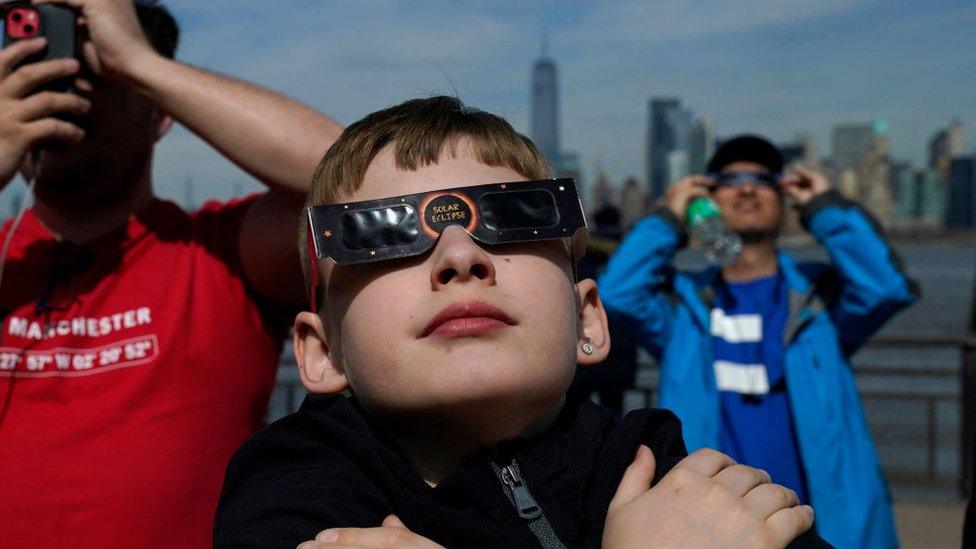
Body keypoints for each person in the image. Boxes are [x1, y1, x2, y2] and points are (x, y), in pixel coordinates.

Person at [213, 97, 828, 549]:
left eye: (514, 220)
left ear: (588, 318)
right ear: (321, 354)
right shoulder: (293, 491)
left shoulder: (662, 470)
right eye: (385, 235)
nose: (461, 256)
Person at [0, 0, 341, 546]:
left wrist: (138, 62)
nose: (67, 94)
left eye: (99, 75)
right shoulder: (5, 257)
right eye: (38, 73)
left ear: (162, 112)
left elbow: (364, 183)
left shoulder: (218, 251)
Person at [599, 135, 917, 548]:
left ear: (785, 199)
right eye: (730, 180)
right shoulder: (683, 309)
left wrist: (823, 208)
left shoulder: (822, 302)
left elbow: (886, 287)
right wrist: (667, 218)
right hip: (712, 528)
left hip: (824, 527)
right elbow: (619, 291)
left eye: (762, 179)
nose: (747, 188)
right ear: (707, 200)